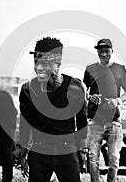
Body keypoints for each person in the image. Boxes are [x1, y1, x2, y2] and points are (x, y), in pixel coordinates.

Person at [19, 37, 87, 182]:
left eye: (45, 61)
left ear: (58, 62)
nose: (39, 66)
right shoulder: (28, 89)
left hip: (67, 150)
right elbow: (25, 123)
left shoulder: (75, 87)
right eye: (36, 60)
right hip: (39, 151)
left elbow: (81, 120)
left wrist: (82, 151)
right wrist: (23, 153)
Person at [83, 39, 126, 182]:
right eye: (101, 51)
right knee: (92, 158)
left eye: (107, 51)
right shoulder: (90, 68)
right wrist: (90, 97)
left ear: (112, 51)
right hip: (95, 121)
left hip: (114, 121)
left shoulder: (120, 69)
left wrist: (118, 101)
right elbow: (84, 90)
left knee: (114, 158)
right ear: (97, 51)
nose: (104, 54)